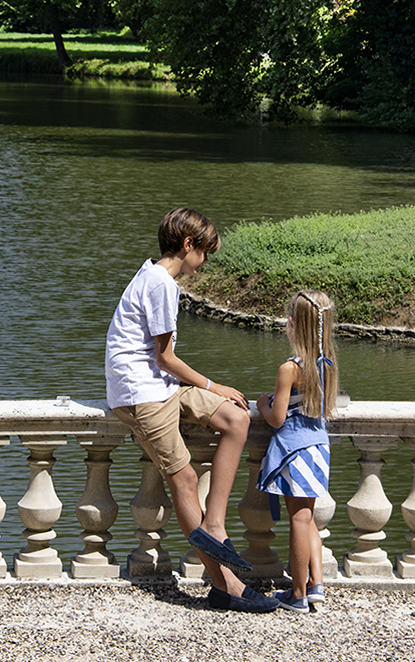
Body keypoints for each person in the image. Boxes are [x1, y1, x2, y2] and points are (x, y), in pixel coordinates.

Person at [105, 207, 278, 613]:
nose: (204, 263)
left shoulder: (151, 273)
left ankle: (214, 523)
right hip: (142, 395)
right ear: (187, 245)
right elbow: (165, 357)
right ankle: (226, 587)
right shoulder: (161, 283)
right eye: (204, 253)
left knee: (236, 417)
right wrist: (214, 384)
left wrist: (211, 392)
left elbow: (162, 362)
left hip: (161, 386)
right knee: (183, 478)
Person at [256, 289, 339, 613]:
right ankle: (315, 585)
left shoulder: (290, 369)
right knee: (309, 521)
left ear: (291, 324)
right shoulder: (326, 364)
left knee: (298, 521)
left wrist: (264, 405)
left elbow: (277, 419)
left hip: (294, 451)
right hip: (318, 448)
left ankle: (298, 593)